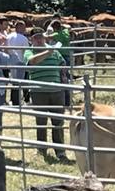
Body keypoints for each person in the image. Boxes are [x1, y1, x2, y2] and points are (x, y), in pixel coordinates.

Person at [24, 28, 68, 161]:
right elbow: (32, 62)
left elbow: (62, 63)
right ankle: (41, 149)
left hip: (56, 90)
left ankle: (60, 151)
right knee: (41, 121)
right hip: (38, 91)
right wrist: (48, 52)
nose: (39, 39)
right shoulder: (29, 51)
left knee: (58, 122)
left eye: (41, 37)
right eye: (36, 37)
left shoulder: (54, 51)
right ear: (31, 40)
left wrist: (63, 74)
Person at [5, 20, 30, 107]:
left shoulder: (8, 37)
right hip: (21, 61)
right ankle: (20, 100)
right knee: (21, 81)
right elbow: (26, 51)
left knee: (14, 80)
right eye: (23, 27)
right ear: (19, 27)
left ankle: (13, 99)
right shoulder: (23, 38)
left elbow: (5, 49)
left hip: (10, 60)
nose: (25, 29)